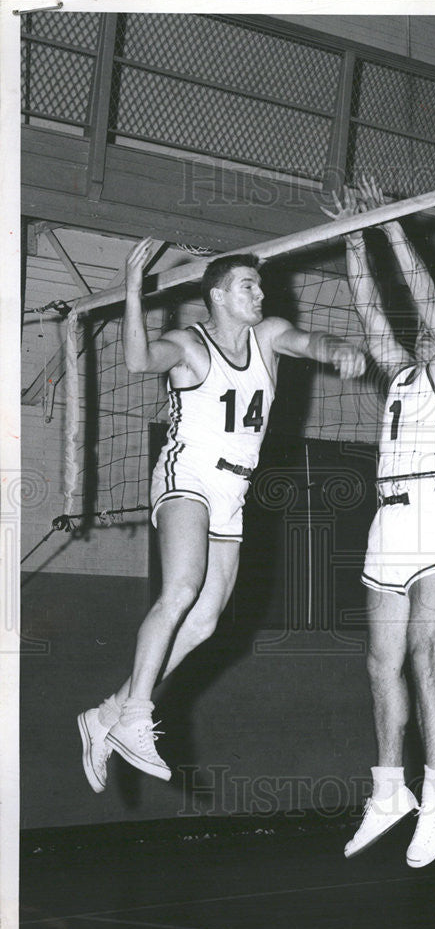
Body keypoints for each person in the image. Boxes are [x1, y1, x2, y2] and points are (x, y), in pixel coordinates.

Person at [78, 242, 365, 789]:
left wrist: (338, 349)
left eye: (260, 286)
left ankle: (106, 714)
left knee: (206, 621)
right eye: (247, 286)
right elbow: (138, 362)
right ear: (217, 295)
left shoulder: (269, 335)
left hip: (235, 488)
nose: (260, 294)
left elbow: (310, 341)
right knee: (181, 588)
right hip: (188, 473)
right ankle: (138, 715)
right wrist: (135, 286)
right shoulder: (189, 344)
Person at [322, 178, 435, 868]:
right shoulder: (402, 374)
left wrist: (391, 224)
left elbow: (429, 301)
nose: (426, 329)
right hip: (385, 526)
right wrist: (354, 237)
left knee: (425, 659)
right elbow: (369, 313)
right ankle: (390, 790)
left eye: (434, 325)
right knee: (378, 663)